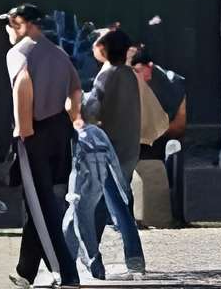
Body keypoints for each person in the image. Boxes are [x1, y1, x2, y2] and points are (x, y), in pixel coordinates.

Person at [0, 4, 81, 288]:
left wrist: (24, 128)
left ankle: (67, 272)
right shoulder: (59, 54)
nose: (8, 30)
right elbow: (76, 90)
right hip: (59, 129)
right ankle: (25, 272)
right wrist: (74, 118)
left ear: (21, 23)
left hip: (34, 131)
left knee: (41, 203)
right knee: (43, 202)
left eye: (10, 24)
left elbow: (23, 84)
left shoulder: (18, 53)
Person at [67, 26, 145, 280]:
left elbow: (91, 111)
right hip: (128, 150)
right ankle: (88, 258)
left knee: (110, 207)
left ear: (106, 50)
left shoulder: (107, 76)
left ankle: (133, 259)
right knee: (104, 206)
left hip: (108, 153)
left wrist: (76, 101)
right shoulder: (129, 74)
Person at [127, 31, 187, 230]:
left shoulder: (172, 84)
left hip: (156, 147)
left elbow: (179, 126)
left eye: (137, 69)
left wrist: (150, 133)